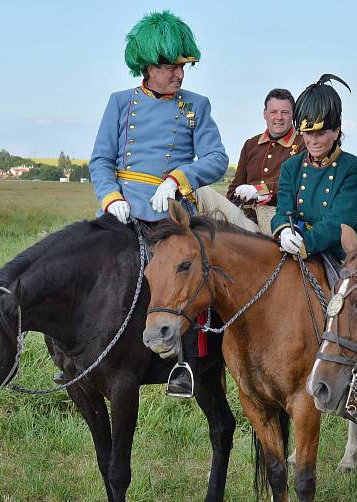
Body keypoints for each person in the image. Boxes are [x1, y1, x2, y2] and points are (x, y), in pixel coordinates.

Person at [88, 10, 229, 398]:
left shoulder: (196, 106)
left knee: (191, 272)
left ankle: (186, 363)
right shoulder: (120, 103)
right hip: (121, 209)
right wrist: (110, 196)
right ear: (147, 67)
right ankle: (83, 352)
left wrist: (177, 179)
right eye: (171, 67)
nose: (179, 75)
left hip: (170, 212)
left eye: (183, 67)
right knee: (87, 266)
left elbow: (216, 158)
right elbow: (100, 159)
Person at [270, 74, 357, 396]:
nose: (313, 140)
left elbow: (337, 219)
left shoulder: (353, 168)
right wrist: (283, 230)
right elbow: (283, 208)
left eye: (321, 133)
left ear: (337, 131)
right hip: (298, 242)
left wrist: (305, 243)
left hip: (344, 243)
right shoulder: (290, 167)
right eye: (307, 133)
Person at [227, 88, 304, 235]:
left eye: (285, 112)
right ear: (265, 114)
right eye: (273, 112)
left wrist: (258, 190)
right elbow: (236, 186)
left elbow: (297, 186)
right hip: (244, 219)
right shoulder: (251, 144)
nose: (279, 117)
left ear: (293, 115)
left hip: (280, 219)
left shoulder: (303, 145)